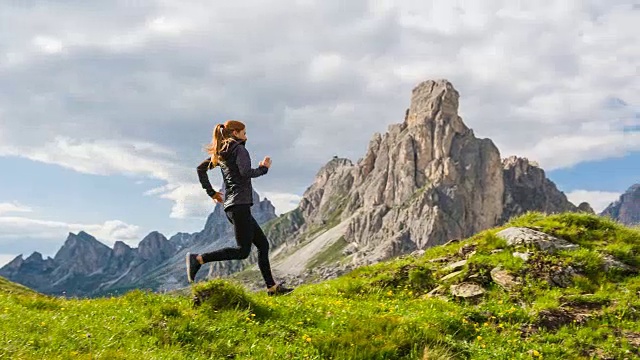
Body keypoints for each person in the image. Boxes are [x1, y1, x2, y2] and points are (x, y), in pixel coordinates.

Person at [186, 120, 293, 296]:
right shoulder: (239, 150)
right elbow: (245, 173)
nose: (246, 136)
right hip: (240, 206)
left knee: (263, 245)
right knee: (243, 251)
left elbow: (200, 169)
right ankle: (198, 259)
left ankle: (272, 288)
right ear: (235, 133)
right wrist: (263, 168)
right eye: (244, 133)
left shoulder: (221, 152)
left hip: (233, 206)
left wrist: (211, 193)